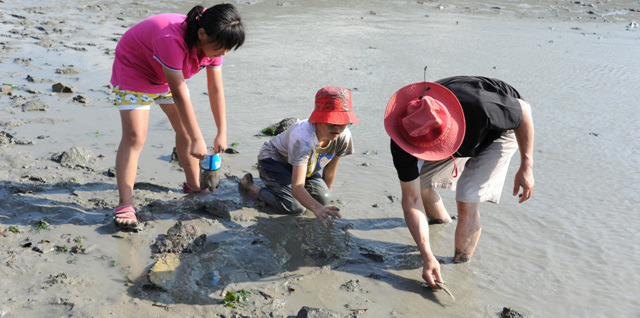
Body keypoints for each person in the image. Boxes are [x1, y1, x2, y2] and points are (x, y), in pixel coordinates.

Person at [384, 76, 534, 288]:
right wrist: (426, 254)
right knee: (420, 183)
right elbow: (411, 199)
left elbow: (523, 112)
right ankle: (441, 223)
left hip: (501, 129)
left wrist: (526, 165)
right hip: (443, 130)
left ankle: (459, 267)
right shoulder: (405, 129)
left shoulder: (482, 106)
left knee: (467, 195)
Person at [110, 4, 245, 229]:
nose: (224, 53)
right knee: (135, 136)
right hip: (135, 67)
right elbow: (179, 94)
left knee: (185, 130)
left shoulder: (214, 46)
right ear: (202, 34)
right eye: (221, 47)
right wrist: (197, 138)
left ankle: (194, 186)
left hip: (165, 72)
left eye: (228, 49)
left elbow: (216, 89)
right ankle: (125, 204)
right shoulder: (171, 39)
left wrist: (222, 131)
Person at [239, 87, 358, 227]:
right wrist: (317, 208)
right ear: (318, 119)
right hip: (274, 160)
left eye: (343, 124)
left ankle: (286, 189)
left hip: (305, 167)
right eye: (332, 124)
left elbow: (330, 169)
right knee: (294, 207)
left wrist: (323, 204)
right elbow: (297, 186)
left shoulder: (343, 136)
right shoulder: (303, 139)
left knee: (324, 198)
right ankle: (251, 187)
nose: (337, 129)